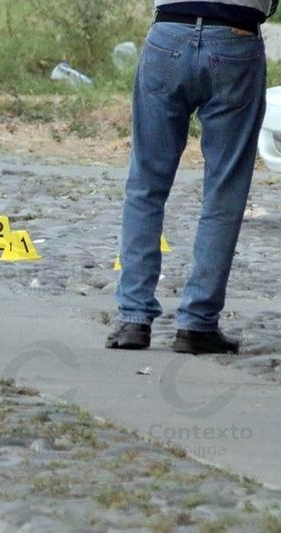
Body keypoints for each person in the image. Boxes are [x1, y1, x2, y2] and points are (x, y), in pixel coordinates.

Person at [106, 0, 278, 354]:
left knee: (145, 185)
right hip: (236, 38)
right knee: (224, 191)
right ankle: (197, 322)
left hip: (169, 32)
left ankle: (133, 319)